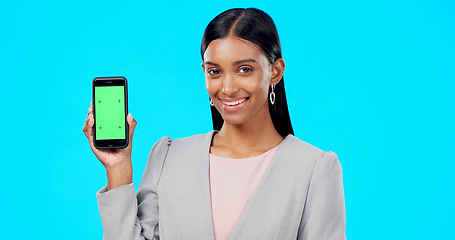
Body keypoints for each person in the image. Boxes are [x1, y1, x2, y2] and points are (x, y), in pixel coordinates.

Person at [83, 8, 346, 240]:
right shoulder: (168, 156)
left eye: (244, 69)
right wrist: (117, 170)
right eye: (215, 71)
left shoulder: (314, 168)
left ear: (275, 71)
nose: (228, 88)